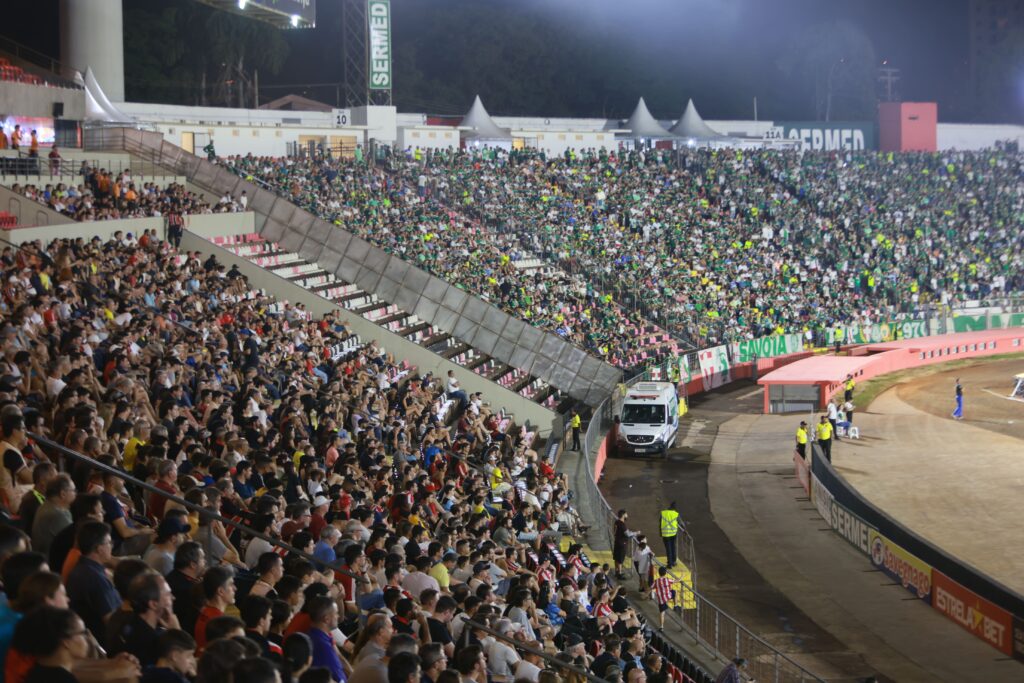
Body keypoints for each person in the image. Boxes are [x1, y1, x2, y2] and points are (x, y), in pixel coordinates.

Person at [65, 521, 122, 644]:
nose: (111, 546)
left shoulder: (83, 567)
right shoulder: (96, 579)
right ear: (99, 549)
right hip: (102, 641)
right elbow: (112, 623)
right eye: (109, 542)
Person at [11, 606, 90, 683]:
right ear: (66, 641)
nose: (87, 638)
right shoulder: (65, 680)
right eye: (83, 633)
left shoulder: (33, 673)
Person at [658, 503, 679, 569]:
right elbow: (681, 523)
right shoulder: (676, 514)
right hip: (673, 533)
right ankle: (673, 561)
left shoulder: (663, 513)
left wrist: (661, 533)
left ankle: (669, 563)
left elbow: (660, 523)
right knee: (673, 547)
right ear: (674, 508)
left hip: (665, 534)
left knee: (668, 548)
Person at [612, 509, 630, 579]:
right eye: (626, 514)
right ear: (623, 515)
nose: (627, 516)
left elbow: (614, 531)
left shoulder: (616, 522)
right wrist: (636, 533)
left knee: (616, 558)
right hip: (622, 544)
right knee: (620, 559)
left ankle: (617, 572)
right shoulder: (622, 525)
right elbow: (627, 534)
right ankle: (619, 573)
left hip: (617, 542)